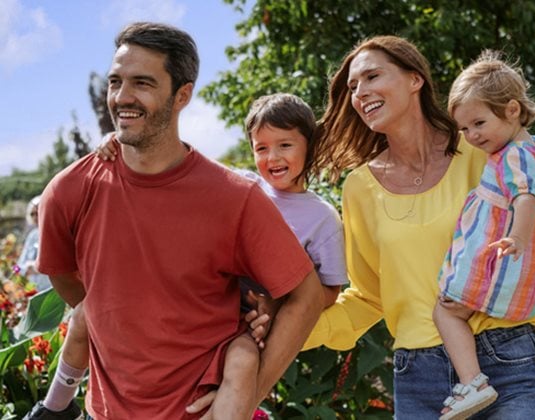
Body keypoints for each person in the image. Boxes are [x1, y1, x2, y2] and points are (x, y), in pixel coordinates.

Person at [27, 22, 322, 420]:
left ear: (183, 94)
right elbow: (68, 281)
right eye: (116, 82)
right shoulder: (68, 191)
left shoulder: (235, 197)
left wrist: (246, 395)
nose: (122, 97)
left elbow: (306, 297)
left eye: (142, 83)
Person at [302, 35, 535, 419]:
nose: (360, 92)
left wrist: (486, 293)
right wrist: (287, 330)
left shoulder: (484, 148)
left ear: (415, 79)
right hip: (420, 378)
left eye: (371, 76)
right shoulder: (359, 188)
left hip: (509, 357)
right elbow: (368, 297)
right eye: (352, 87)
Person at [57, 92, 347, 419]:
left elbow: (329, 290)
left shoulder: (322, 217)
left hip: (249, 326)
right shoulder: (242, 185)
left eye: (285, 145)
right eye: (261, 148)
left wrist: (274, 303)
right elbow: (181, 165)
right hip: (205, 307)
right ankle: (58, 405)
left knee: (242, 363)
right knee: (98, 318)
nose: (272, 157)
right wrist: (123, 143)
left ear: (309, 143)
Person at [432, 50, 535, 420]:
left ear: (512, 110)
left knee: (447, 312)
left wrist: (516, 238)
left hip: (508, 264)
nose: (471, 136)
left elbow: (525, 198)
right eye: (464, 129)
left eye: (478, 123)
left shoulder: (512, 157)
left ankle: (472, 383)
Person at [17, 195, 52, 291]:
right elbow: (17, 266)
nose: (35, 217)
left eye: (38, 212)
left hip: (53, 292)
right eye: (32, 214)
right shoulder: (32, 236)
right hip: (33, 291)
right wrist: (25, 268)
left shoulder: (55, 234)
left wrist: (38, 267)